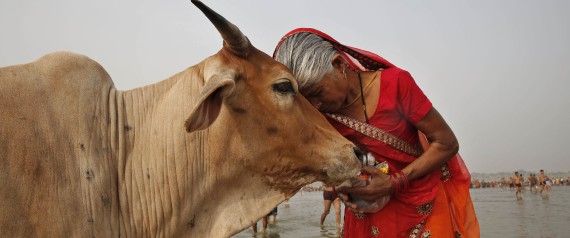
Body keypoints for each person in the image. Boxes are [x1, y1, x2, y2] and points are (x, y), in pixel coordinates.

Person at [274, 28, 479, 238]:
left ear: (338, 65)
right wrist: (345, 192)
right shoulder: (323, 116)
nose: (316, 106)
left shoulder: (396, 84)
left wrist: (393, 183)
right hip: (368, 216)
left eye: (317, 93)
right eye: (308, 102)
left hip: (421, 204)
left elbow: (446, 143)